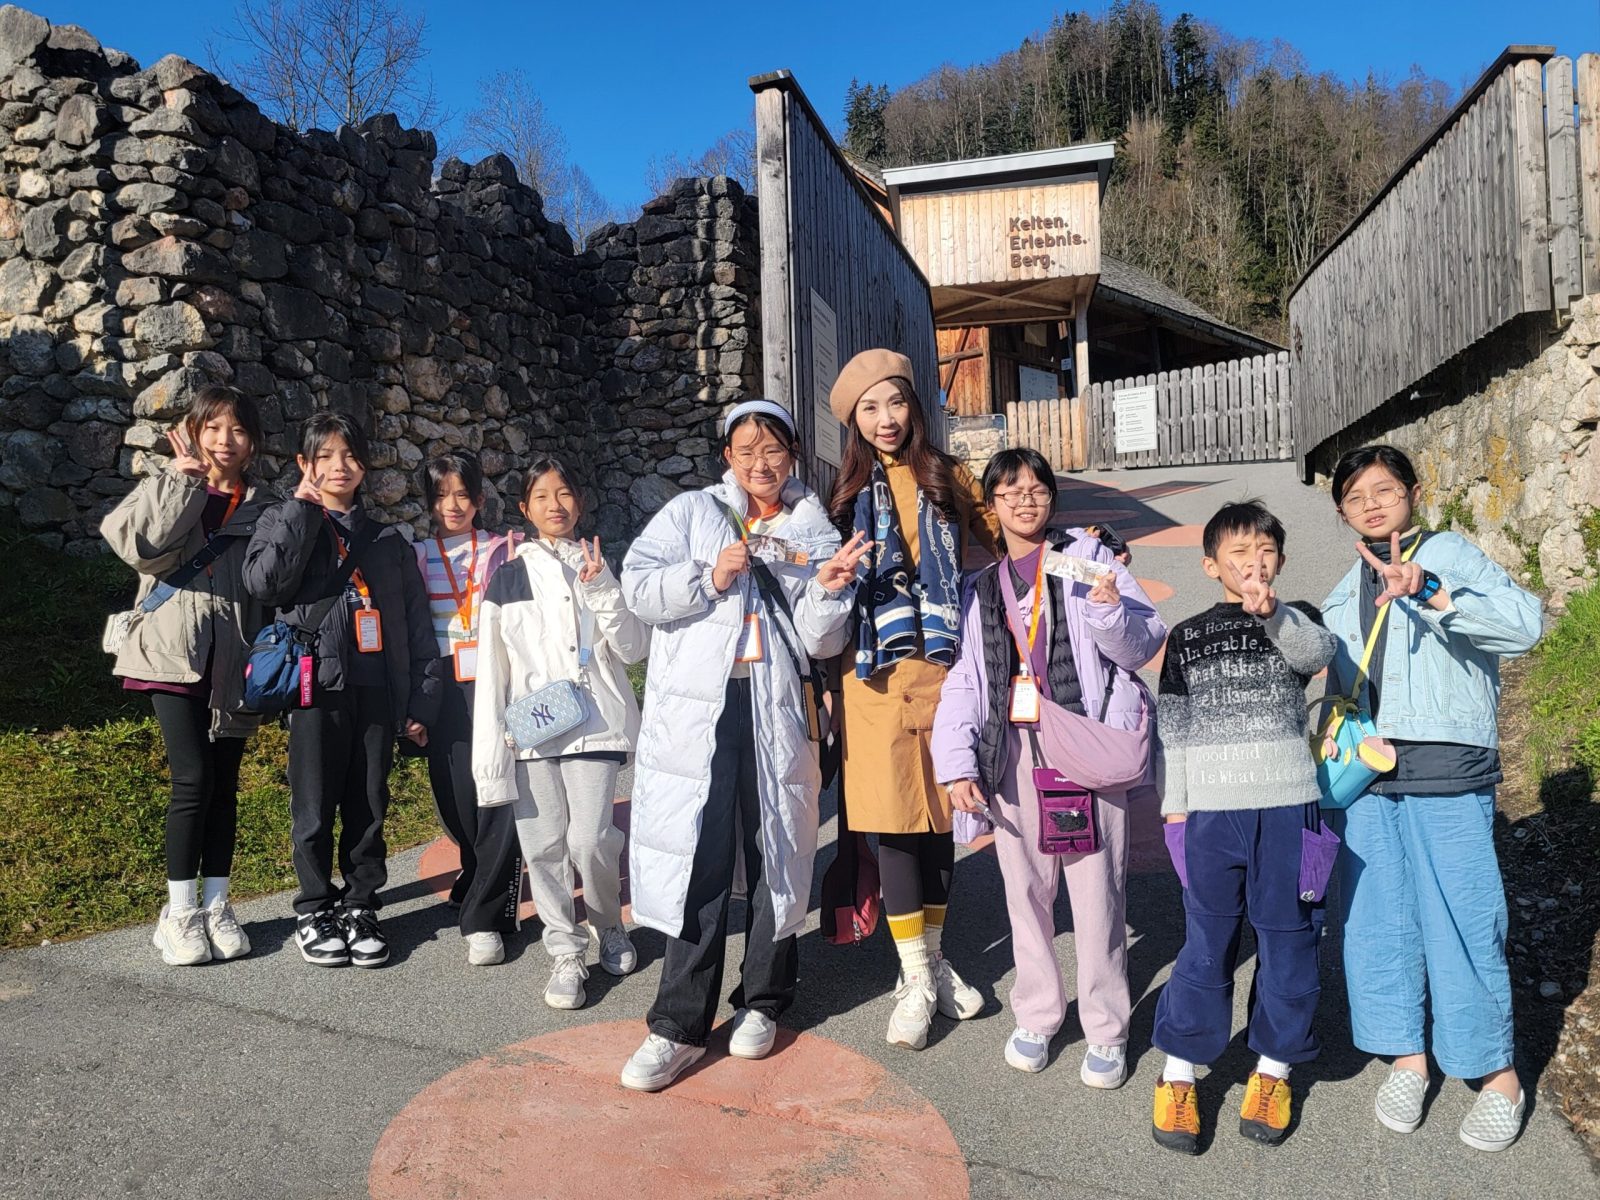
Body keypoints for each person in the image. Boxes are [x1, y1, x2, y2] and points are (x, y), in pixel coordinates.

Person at [617, 399, 871, 1092]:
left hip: (774, 707)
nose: (761, 463)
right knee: (698, 855)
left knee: (775, 850)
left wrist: (828, 590)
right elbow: (639, 588)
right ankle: (678, 1024)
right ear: (727, 457)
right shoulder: (691, 513)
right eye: (747, 450)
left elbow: (820, 641)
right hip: (698, 710)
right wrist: (709, 577)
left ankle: (763, 999)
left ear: (793, 455)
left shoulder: (812, 529)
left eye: (773, 450)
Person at [1322, 445, 1542, 1153]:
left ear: (1414, 492)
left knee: (1463, 918)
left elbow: (1525, 626)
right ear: (1342, 512)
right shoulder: (1342, 589)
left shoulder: (1451, 555)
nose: (1371, 505)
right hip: (1366, 777)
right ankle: (1407, 1058)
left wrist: (1433, 592)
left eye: (1384, 490)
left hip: (1446, 764)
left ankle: (1497, 1075)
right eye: (1356, 498)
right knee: (1377, 921)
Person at [931, 448, 1165, 1084]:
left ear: (1053, 498)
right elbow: (965, 681)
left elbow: (1141, 645)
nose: (1025, 500)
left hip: (1083, 744)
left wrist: (1109, 609)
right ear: (992, 505)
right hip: (1010, 752)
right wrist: (956, 764)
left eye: (1036, 489)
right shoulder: (981, 587)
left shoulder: (1088, 559)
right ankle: (1037, 1012)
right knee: (1025, 892)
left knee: (1098, 893)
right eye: (1010, 492)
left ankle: (1106, 1026)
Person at [1147, 500, 1338, 1153]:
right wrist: (1176, 813)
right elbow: (1173, 731)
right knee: (1206, 941)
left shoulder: (1298, 618)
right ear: (1211, 565)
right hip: (1211, 816)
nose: (1253, 564)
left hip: (1290, 810)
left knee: (1291, 942)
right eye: (1238, 553)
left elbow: (1319, 655)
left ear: (1279, 560)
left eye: (1265, 552)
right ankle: (1179, 1073)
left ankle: (1273, 1072)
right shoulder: (1188, 635)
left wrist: (1275, 614)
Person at [825, 349, 1002, 1051]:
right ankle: (917, 976)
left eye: (895, 402)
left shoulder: (948, 476)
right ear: (854, 421)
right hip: (871, 678)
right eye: (870, 408)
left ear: (915, 407)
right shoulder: (841, 496)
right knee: (896, 826)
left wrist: (1085, 554)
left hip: (946, 671)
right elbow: (819, 590)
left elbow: (1006, 537)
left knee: (940, 821)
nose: (886, 419)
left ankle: (933, 961)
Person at [242, 412, 438, 969]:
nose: (340, 466)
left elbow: (415, 625)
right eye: (325, 456)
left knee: (369, 804)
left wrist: (420, 700)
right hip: (315, 686)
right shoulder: (282, 518)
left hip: (376, 689)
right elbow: (264, 583)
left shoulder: (387, 540)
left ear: (365, 466)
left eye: (350, 456)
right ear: (304, 463)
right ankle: (313, 908)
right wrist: (300, 511)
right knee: (313, 804)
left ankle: (360, 906)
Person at [102, 386, 271, 966]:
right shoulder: (168, 485)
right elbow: (138, 547)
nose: (225, 441)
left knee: (224, 785)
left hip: (235, 660)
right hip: (172, 652)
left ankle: (217, 905)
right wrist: (181, 482)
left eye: (238, 430)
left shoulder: (263, 507)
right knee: (193, 778)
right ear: (194, 433)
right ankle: (178, 913)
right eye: (213, 427)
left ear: (253, 443)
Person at [473, 456, 649, 1008]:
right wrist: (490, 764)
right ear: (525, 509)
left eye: (565, 492)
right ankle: (565, 951)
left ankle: (607, 923)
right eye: (542, 496)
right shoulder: (506, 578)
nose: (556, 505)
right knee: (543, 845)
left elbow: (633, 648)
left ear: (580, 502)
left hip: (595, 722)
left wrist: (603, 589)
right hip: (532, 729)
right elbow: (492, 674)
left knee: (590, 838)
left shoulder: (598, 566)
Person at [414, 451, 523, 967]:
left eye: (462, 494)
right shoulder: (417, 555)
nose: (452, 505)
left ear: (479, 499)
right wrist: (414, 702)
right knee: (455, 794)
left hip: (495, 680)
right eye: (441, 496)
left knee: (496, 791)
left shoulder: (505, 549)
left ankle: (487, 915)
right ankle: (478, 871)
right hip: (442, 685)